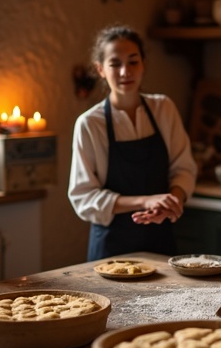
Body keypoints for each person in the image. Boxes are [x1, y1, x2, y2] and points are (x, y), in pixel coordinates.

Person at [68, 24, 197, 260]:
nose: (125, 71)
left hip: (161, 240)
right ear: (100, 70)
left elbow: (184, 168)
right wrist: (145, 201)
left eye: (133, 61)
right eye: (115, 63)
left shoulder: (163, 108)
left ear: (144, 64)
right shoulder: (89, 124)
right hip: (110, 248)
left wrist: (171, 201)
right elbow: (83, 197)